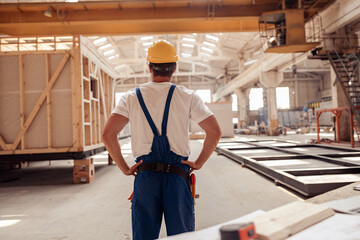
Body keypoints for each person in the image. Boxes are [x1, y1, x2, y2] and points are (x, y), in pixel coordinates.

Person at [101, 40, 221, 240]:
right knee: (182, 237)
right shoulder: (187, 96)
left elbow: (107, 134)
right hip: (177, 175)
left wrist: (124, 167)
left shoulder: (130, 97)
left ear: (149, 67)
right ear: (174, 68)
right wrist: (198, 163)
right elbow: (215, 131)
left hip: (146, 176)